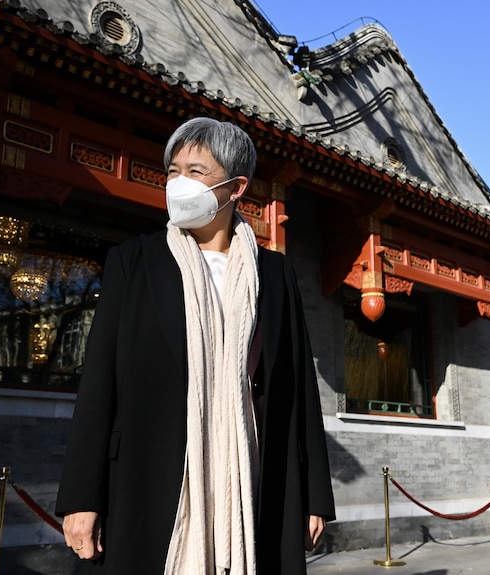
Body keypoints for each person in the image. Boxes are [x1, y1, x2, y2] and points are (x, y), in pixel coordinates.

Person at [55, 117, 335, 574]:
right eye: (172, 170)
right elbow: (98, 386)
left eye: (196, 171)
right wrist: (82, 497)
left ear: (236, 186)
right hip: (148, 476)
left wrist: (314, 495)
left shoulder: (276, 274)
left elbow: (299, 389)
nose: (178, 183)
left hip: (256, 478)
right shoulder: (135, 262)